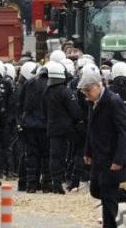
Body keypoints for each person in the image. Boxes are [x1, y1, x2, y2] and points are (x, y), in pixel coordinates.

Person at [79, 70, 126, 227]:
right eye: (84, 91)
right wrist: (88, 151)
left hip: (113, 157)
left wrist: (119, 159)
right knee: (96, 191)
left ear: (99, 86)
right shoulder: (93, 102)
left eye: (88, 90)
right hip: (99, 155)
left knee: (108, 199)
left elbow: (123, 133)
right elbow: (91, 129)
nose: (86, 95)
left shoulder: (113, 102)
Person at [45, 60, 83, 194]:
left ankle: (55, 183)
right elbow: (75, 111)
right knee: (78, 149)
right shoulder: (65, 92)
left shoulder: (47, 91)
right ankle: (71, 178)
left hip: (52, 126)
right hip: (67, 128)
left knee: (55, 156)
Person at [18, 61, 50, 192]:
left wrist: (22, 119)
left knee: (31, 155)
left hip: (29, 123)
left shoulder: (28, 83)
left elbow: (20, 103)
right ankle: (47, 184)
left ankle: (31, 184)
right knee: (46, 155)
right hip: (45, 124)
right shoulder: (50, 85)